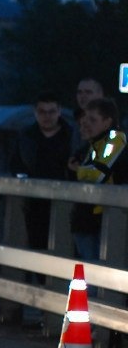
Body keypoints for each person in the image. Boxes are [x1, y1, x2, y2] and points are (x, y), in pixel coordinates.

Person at [11, 92, 73, 250]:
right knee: (36, 245)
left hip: (66, 200)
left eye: (51, 111)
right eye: (42, 112)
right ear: (35, 113)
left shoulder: (72, 136)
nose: (47, 116)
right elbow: (15, 164)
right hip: (34, 203)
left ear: (59, 111)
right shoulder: (26, 137)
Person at [69, 97, 126, 262]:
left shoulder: (115, 139)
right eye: (85, 119)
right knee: (88, 271)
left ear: (107, 122)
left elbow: (99, 173)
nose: (86, 124)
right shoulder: (93, 144)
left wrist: (78, 170)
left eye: (92, 120)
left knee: (98, 272)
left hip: (106, 219)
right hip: (87, 218)